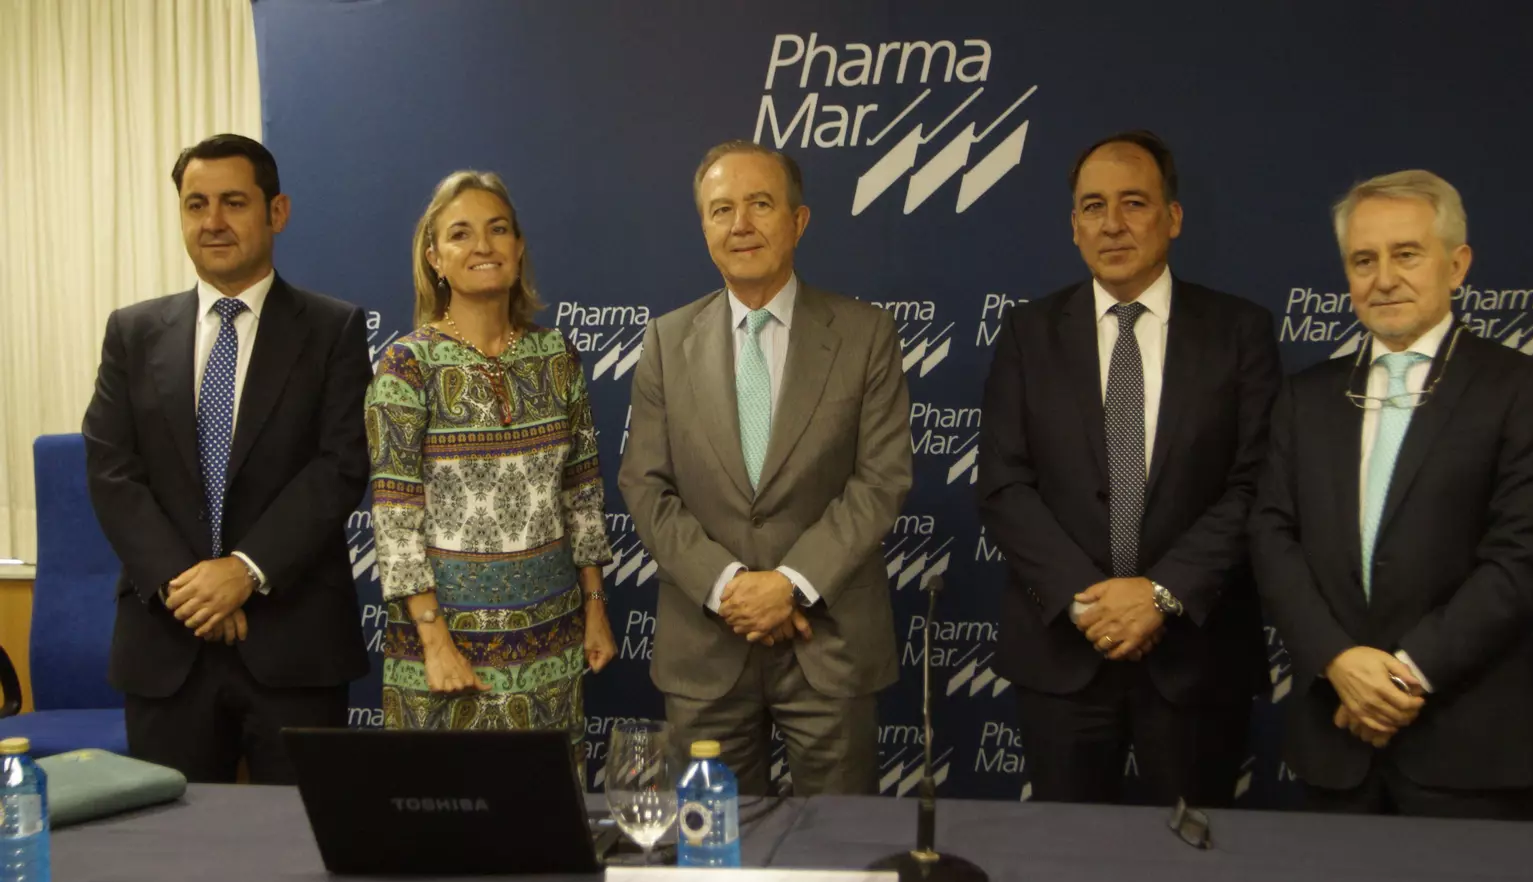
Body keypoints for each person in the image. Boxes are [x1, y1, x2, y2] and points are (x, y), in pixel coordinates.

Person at [1250, 170, 1533, 819]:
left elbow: (1523, 560)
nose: (1384, 278)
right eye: (1363, 260)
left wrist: (1399, 679)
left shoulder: (1523, 391)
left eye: (1406, 254)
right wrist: (1338, 661)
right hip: (1335, 742)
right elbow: (1270, 535)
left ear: (1457, 265)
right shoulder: (1305, 398)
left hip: (1466, 750)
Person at [977, 131, 1280, 806]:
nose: (1112, 223)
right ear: (1074, 227)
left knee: (1197, 851)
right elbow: (1003, 485)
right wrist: (1088, 600)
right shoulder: (1028, 333)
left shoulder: (1240, 331)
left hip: (1195, 654)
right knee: (1066, 854)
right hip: (1064, 653)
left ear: (1173, 217)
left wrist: (1160, 594)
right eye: (1094, 206)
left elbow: (1256, 483)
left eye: (1134, 203)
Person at [618, 140, 912, 796]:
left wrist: (790, 584)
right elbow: (645, 483)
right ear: (704, 228)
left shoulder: (866, 335)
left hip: (829, 646)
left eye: (760, 204)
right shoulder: (666, 341)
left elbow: (881, 479)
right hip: (705, 651)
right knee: (715, 847)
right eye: (721, 210)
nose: (741, 225)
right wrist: (728, 586)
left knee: (838, 846)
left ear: (798, 221)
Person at [83, 134, 371, 783]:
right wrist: (188, 586)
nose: (212, 221)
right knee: (170, 844)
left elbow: (340, 466)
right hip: (166, 642)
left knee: (301, 840)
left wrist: (244, 570)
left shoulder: (333, 329)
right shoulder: (132, 333)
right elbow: (110, 468)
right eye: (196, 204)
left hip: (295, 645)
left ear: (277, 212)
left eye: (234, 202)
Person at [365, 170, 616, 752]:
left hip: (550, 642)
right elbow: (395, 518)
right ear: (435, 258)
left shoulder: (556, 355)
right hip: (446, 650)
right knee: (444, 805)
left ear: (519, 246)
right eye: (461, 234)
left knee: (549, 802)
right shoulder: (407, 365)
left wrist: (596, 609)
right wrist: (435, 643)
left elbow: (582, 494)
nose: (483, 245)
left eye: (498, 229)